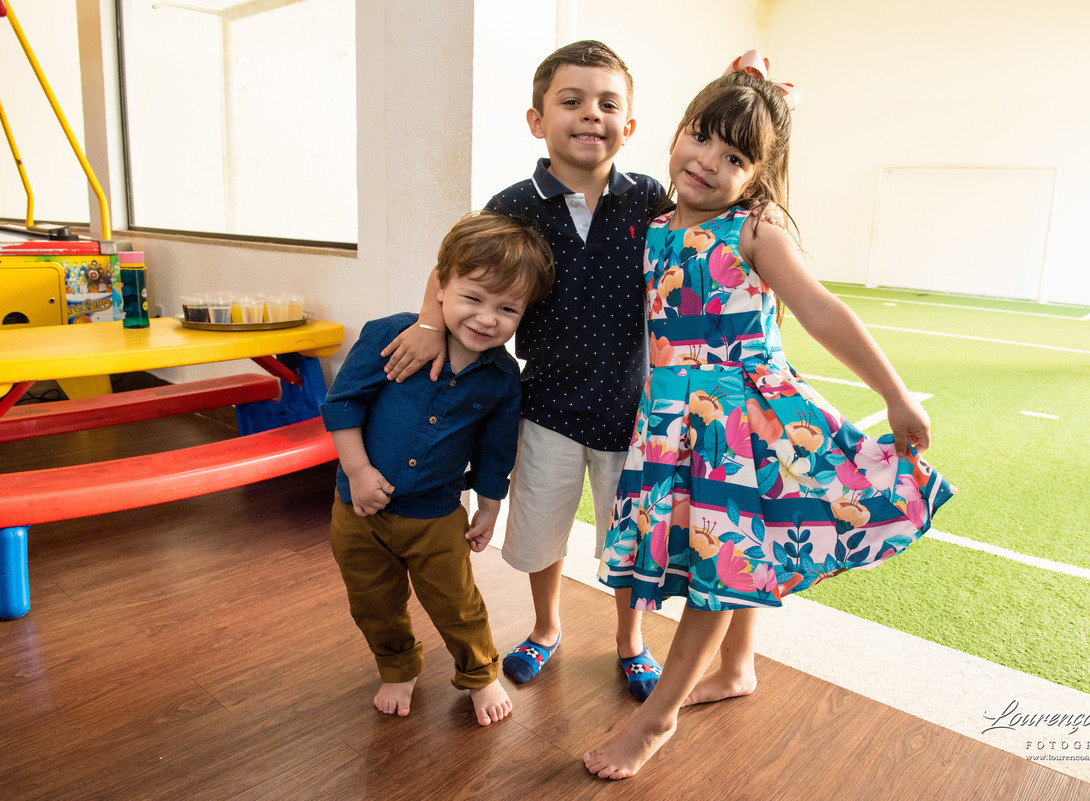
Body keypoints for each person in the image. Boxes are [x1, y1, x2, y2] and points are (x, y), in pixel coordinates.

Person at [582, 52, 956, 779]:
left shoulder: (755, 231)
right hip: (670, 421)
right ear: (675, 133)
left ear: (757, 174)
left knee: (726, 557)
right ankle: (737, 667)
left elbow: (821, 310)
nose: (707, 162)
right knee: (735, 550)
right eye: (700, 137)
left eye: (734, 157)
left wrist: (894, 393)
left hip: (742, 422)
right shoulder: (654, 228)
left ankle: (656, 718)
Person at [380, 41, 670, 701]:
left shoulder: (650, 198)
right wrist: (427, 323)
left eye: (608, 104)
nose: (591, 114)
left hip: (634, 409)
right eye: (572, 101)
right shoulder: (514, 204)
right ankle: (546, 627)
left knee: (630, 540)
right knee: (542, 533)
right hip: (546, 409)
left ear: (628, 126)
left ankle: (631, 641)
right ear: (538, 120)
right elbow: (452, 265)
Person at [321, 212, 554, 727]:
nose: (487, 319)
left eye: (507, 309)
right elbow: (342, 404)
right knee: (373, 602)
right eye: (474, 298)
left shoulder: (502, 377)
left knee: (458, 603)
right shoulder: (390, 335)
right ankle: (397, 667)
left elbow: (496, 451)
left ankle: (480, 674)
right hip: (359, 513)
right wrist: (357, 472)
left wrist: (489, 508)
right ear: (441, 286)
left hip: (436, 517)